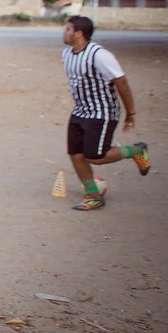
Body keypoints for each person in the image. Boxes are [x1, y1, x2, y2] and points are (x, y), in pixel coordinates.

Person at [62, 16, 150, 211]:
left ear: (78, 33)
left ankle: (136, 151)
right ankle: (94, 195)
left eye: (68, 29)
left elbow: (122, 83)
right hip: (80, 112)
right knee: (76, 155)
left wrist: (131, 113)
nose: (64, 32)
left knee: (95, 156)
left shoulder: (99, 55)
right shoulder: (67, 54)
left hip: (102, 112)